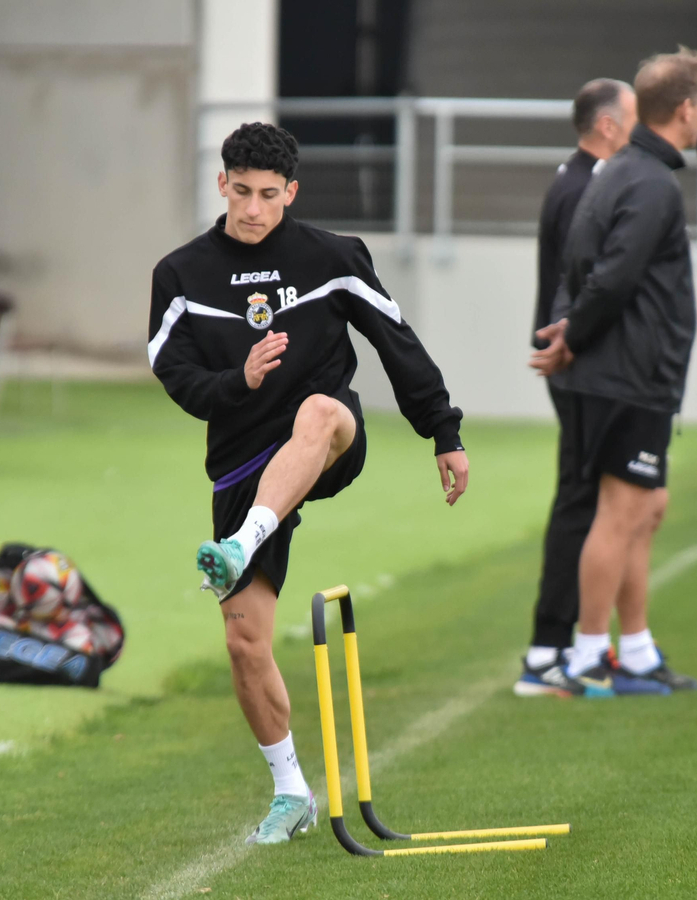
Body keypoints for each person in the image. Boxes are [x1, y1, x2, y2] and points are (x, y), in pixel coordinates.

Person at [149, 122, 470, 844]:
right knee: (244, 643)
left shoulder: (331, 255)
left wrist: (442, 432)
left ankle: (244, 541)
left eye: (269, 195)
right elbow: (176, 376)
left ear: (290, 192)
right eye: (242, 192)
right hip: (241, 459)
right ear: (221, 183)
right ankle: (290, 789)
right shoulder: (180, 274)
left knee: (321, 410)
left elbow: (396, 340)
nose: (254, 208)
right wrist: (239, 379)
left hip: (328, 439)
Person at [528, 48, 697, 697]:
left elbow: (579, 267)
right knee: (619, 512)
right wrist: (571, 336)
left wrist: (564, 334)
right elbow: (610, 276)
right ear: (686, 109)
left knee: (645, 508)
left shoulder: (619, 171)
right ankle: (586, 656)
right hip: (626, 376)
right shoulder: (649, 181)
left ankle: (633, 651)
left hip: (622, 375)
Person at [516, 77, 639, 697]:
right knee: (580, 502)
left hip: (576, 364)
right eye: (633, 118)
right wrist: (574, 348)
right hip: (577, 368)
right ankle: (547, 650)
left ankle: (562, 645)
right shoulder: (584, 186)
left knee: (590, 501)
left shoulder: (579, 178)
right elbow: (584, 286)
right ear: (610, 125)